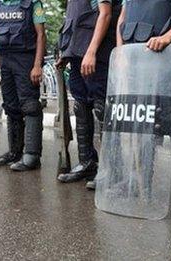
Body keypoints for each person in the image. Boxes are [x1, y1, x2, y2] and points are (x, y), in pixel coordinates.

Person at [116, 0, 171, 213]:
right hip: (135, 58)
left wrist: (168, 37)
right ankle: (140, 180)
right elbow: (123, 18)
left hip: (165, 56)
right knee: (141, 119)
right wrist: (120, 52)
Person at [55, 0, 121, 189]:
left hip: (96, 54)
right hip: (77, 55)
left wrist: (91, 51)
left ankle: (112, 169)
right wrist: (66, 53)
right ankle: (87, 162)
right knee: (81, 107)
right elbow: (74, 23)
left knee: (103, 109)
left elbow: (105, 14)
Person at [0, 0, 46, 171]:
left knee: (30, 106)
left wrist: (37, 65)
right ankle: (14, 152)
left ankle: (32, 155)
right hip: (5, 60)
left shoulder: (32, 4)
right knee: (11, 106)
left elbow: (41, 35)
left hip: (25, 59)